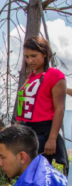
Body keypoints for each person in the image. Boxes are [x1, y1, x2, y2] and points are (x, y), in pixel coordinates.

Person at [16, 36, 68, 174]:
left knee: (40, 175)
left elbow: (59, 109)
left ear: (45, 54)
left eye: (34, 56)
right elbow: (24, 106)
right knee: (27, 174)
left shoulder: (55, 75)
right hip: (27, 131)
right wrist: (15, 128)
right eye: (27, 57)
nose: (30, 60)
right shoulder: (31, 77)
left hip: (43, 132)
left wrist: (52, 139)